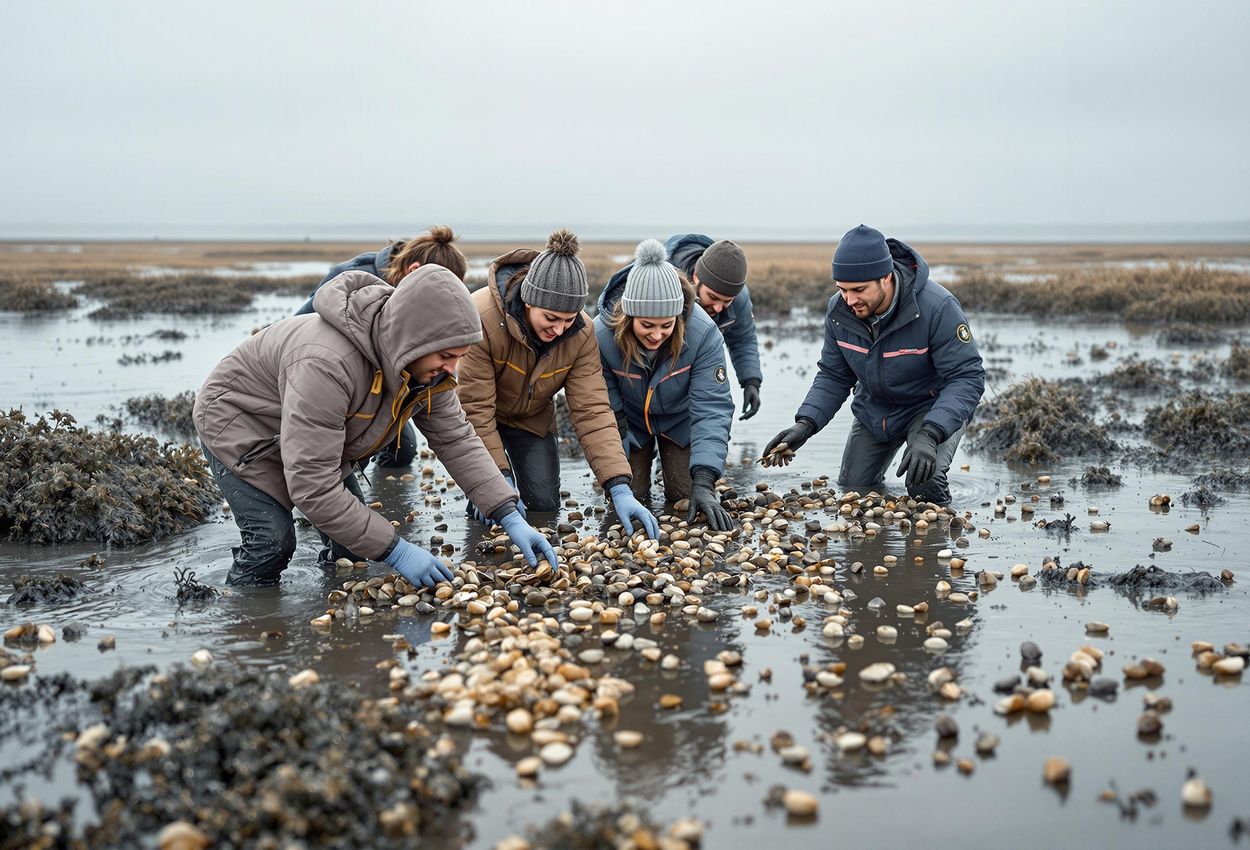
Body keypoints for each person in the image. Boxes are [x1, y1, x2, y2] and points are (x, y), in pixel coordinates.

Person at [193, 265, 557, 587]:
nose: (452, 370)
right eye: (446, 357)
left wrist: (507, 513)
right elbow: (313, 486)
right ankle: (242, 625)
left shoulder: (424, 369)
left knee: (352, 547)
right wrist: (397, 551)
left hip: (308, 434)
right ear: (414, 338)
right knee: (272, 542)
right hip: (241, 425)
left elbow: (457, 438)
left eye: (458, 358)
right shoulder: (327, 363)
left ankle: (332, 614)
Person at [456, 229, 660, 539]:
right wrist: (492, 482)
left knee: (543, 505)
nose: (559, 328)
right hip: (479, 420)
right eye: (550, 317)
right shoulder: (481, 317)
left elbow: (591, 409)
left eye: (568, 318)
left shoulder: (580, 334)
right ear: (528, 300)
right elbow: (475, 410)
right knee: (491, 504)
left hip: (530, 420)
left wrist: (618, 485)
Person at [764, 225, 985, 505]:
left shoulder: (937, 307)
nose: (850, 300)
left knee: (924, 484)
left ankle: (938, 539)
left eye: (858, 290)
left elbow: (967, 378)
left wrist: (931, 433)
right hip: (875, 410)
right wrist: (806, 423)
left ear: (885, 278)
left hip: (930, 408)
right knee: (854, 490)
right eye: (842, 289)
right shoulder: (839, 310)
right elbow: (833, 375)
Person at [293, 225, 470, 467]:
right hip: (338, 388)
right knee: (350, 453)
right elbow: (300, 330)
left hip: (389, 384)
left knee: (403, 452)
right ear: (413, 271)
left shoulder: (415, 291)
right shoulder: (354, 281)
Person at [595, 239, 736, 531]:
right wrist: (619, 438)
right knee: (629, 496)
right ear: (628, 316)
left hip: (678, 421)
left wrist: (706, 480)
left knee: (685, 494)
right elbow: (601, 399)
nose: (657, 335)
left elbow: (712, 408)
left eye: (666, 325)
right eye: (647, 325)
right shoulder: (601, 334)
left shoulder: (703, 333)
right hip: (630, 421)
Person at [663, 234, 762, 420]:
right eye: (713, 297)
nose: (718, 308)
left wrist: (751, 381)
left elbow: (743, 340)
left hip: (692, 386)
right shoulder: (661, 286)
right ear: (696, 277)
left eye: (727, 301)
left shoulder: (739, 298)